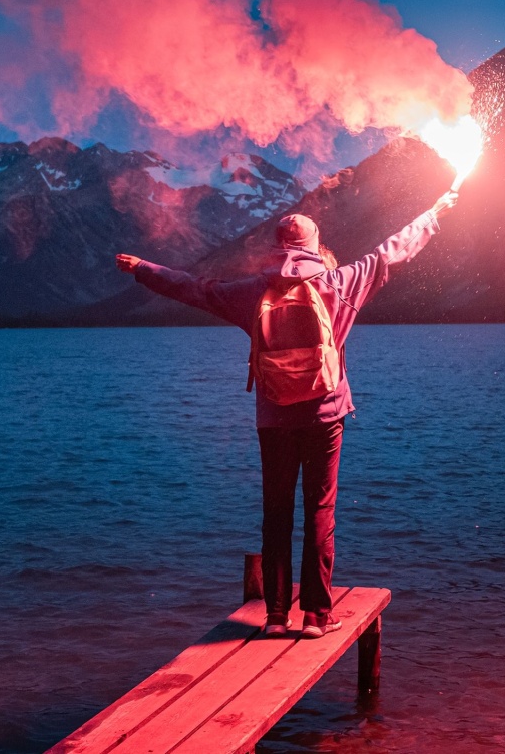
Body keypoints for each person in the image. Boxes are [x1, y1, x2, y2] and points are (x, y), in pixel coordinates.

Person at [115, 190, 458, 639]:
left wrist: (143, 269)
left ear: (277, 248)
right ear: (315, 248)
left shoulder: (252, 292)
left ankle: (276, 615)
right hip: (325, 415)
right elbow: (391, 251)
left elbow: (195, 289)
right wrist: (434, 213)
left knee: (276, 512)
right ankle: (317, 615)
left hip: (274, 418)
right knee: (320, 510)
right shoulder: (340, 283)